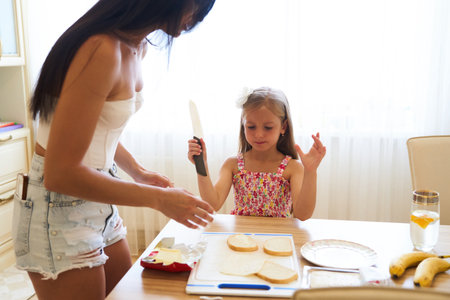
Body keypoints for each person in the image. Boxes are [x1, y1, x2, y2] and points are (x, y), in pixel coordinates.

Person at [12, 1, 216, 299]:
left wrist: (139, 172)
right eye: (196, 6)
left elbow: (92, 128)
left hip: (97, 196)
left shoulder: (136, 46)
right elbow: (60, 174)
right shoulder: (101, 49)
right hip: (57, 206)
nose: (196, 17)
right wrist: (159, 199)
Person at [188, 87, 326, 220]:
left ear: (283, 127)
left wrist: (310, 172)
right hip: (241, 238)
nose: (259, 134)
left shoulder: (293, 168)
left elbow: (303, 215)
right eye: (251, 127)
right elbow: (213, 204)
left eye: (268, 127)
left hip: (277, 240)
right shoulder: (233, 164)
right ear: (243, 124)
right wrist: (202, 165)